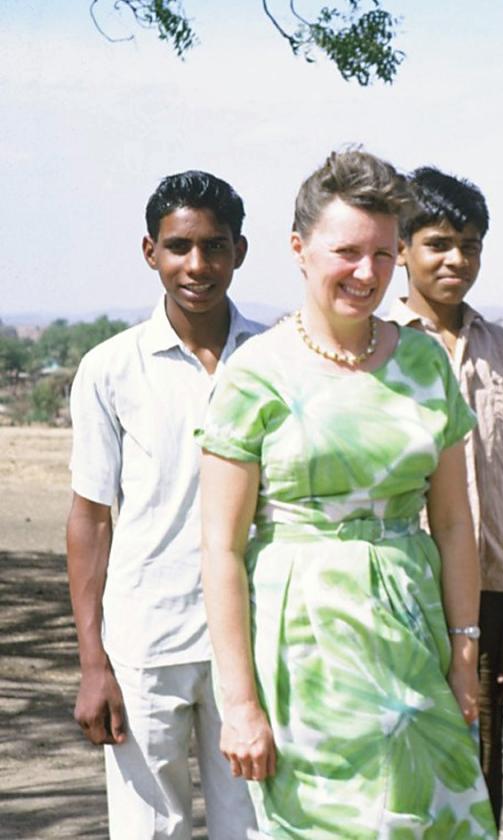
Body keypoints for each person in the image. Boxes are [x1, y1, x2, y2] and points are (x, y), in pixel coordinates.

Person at [196, 148, 496, 836]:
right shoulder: (256, 374)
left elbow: (453, 523)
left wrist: (465, 653)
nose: (367, 273)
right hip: (303, 653)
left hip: (414, 638)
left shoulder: (425, 363)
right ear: (300, 249)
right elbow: (219, 548)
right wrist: (239, 703)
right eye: (347, 252)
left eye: (385, 255)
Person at [67, 170, 263, 839]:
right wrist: (94, 663)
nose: (197, 265)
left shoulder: (274, 359)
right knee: (150, 830)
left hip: (256, 639)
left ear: (241, 250)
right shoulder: (112, 368)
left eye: (215, 246)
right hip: (145, 642)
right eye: (180, 246)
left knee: (258, 826)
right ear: (150, 251)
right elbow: (91, 519)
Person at [384, 165, 503, 824]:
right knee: (403, 757)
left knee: (482, 763)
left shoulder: (501, 346)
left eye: (469, 245)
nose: (456, 259)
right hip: (404, 586)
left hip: (494, 590)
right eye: (438, 243)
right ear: (404, 248)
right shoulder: (377, 344)